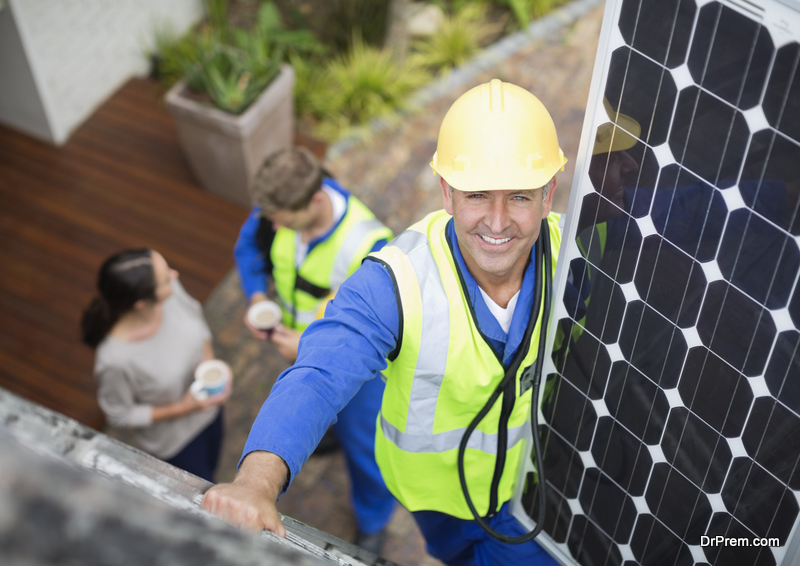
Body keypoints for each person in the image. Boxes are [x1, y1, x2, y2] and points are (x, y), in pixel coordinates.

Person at [203, 79, 564, 565]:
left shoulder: (579, 256)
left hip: (531, 489)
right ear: (447, 194)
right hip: (436, 498)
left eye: (520, 196)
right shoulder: (395, 281)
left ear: (549, 194)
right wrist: (254, 483)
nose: (497, 222)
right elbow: (319, 375)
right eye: (477, 195)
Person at [232, 147, 396, 552]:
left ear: (316, 200)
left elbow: (375, 329)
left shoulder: (370, 244)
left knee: (368, 450)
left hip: (360, 375)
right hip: (299, 347)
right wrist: (255, 296)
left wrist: (306, 347)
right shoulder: (280, 206)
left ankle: (373, 520)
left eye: (280, 219)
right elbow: (249, 248)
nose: (271, 224)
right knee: (317, 412)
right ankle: (328, 431)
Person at [81, 248, 230, 483]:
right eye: (166, 278)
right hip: (175, 443)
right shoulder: (114, 360)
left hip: (210, 411)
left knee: (213, 463)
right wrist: (184, 407)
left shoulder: (170, 293)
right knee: (203, 489)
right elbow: (119, 414)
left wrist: (211, 365)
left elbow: (195, 315)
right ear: (141, 303)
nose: (175, 274)